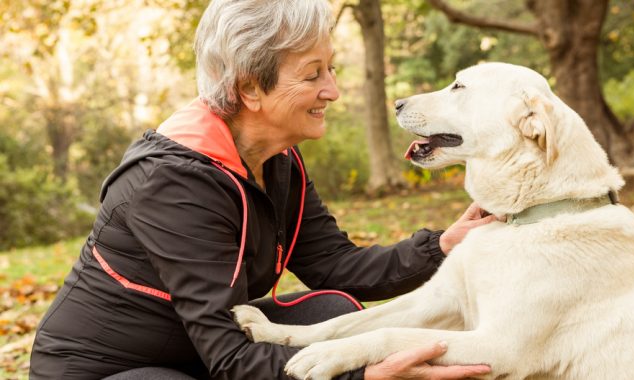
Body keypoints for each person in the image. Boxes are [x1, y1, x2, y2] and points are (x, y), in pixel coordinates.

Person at [29, 1, 496, 379]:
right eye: (314, 74)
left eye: (330, 69)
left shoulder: (275, 159)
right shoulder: (172, 185)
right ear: (249, 89)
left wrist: (441, 246)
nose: (332, 90)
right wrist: (364, 374)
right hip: (111, 371)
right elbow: (231, 359)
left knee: (331, 312)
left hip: (199, 354)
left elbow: (335, 267)